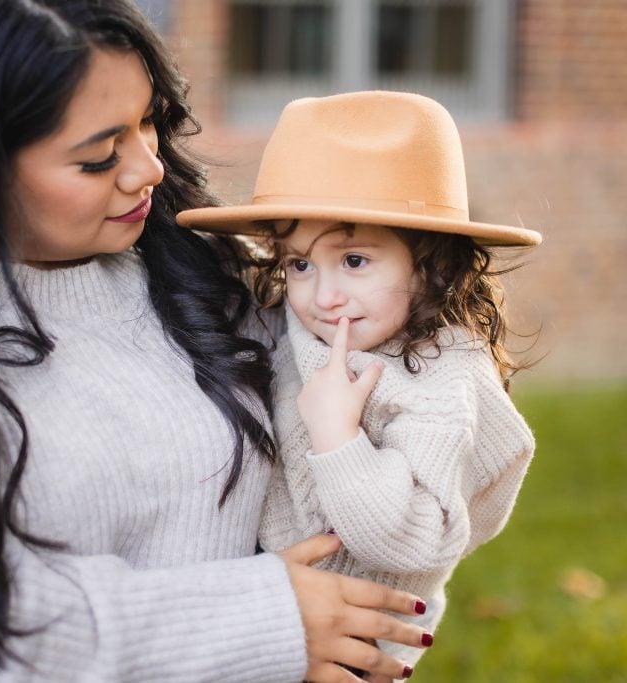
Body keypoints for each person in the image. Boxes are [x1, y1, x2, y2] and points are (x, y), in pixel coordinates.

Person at [0, 4, 435, 682]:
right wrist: (264, 621)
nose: (148, 167)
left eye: (150, 121)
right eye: (98, 157)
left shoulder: (205, 270)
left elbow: (415, 450)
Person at [177, 90, 541, 672]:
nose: (322, 297)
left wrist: (339, 437)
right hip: (266, 617)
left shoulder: (444, 383)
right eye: (299, 263)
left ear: (434, 265)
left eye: (354, 261)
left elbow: (414, 541)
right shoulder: (301, 324)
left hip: (358, 642)